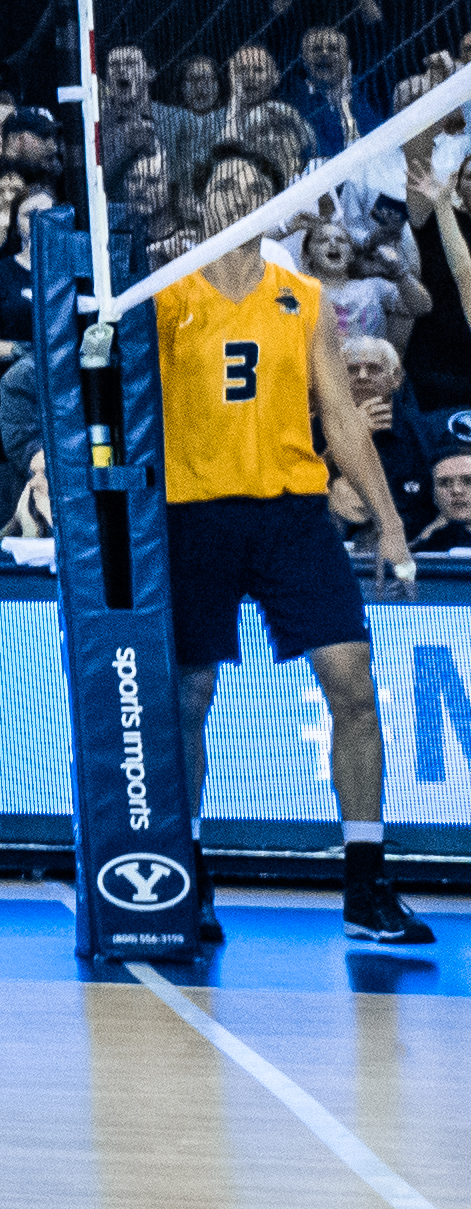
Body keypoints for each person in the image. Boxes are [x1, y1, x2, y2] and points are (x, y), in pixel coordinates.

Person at [147, 147, 430, 948]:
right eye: (222, 186)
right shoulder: (166, 297)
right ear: (198, 204)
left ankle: (367, 883)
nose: (237, 200)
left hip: (291, 514)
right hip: (195, 513)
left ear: (274, 207)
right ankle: (185, 875)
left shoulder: (301, 298)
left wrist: (390, 523)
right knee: (189, 698)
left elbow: (341, 417)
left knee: (354, 684)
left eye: (253, 190)